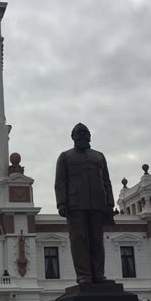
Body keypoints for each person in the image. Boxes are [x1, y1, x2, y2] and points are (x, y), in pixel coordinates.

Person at [55, 122, 114, 284]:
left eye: (85, 132)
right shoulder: (65, 156)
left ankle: (98, 275)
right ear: (73, 137)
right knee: (79, 240)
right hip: (75, 204)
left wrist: (110, 204)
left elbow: (107, 181)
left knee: (97, 239)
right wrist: (61, 203)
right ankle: (83, 275)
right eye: (79, 133)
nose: (83, 135)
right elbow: (60, 181)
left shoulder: (99, 156)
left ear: (90, 136)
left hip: (97, 203)